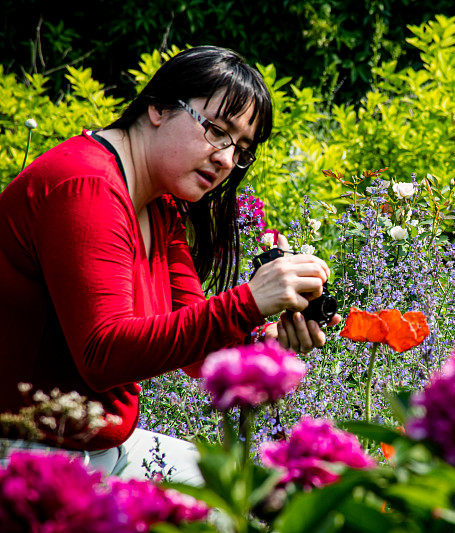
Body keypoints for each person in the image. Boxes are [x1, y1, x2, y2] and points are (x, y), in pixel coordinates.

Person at [0, 46, 339, 483]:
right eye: (217, 130)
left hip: (98, 448)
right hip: (27, 457)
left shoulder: (160, 205)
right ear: (159, 107)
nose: (226, 159)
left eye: (241, 149)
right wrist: (248, 301)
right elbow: (103, 356)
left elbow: (198, 352)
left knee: (253, 493)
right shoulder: (86, 187)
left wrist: (268, 346)